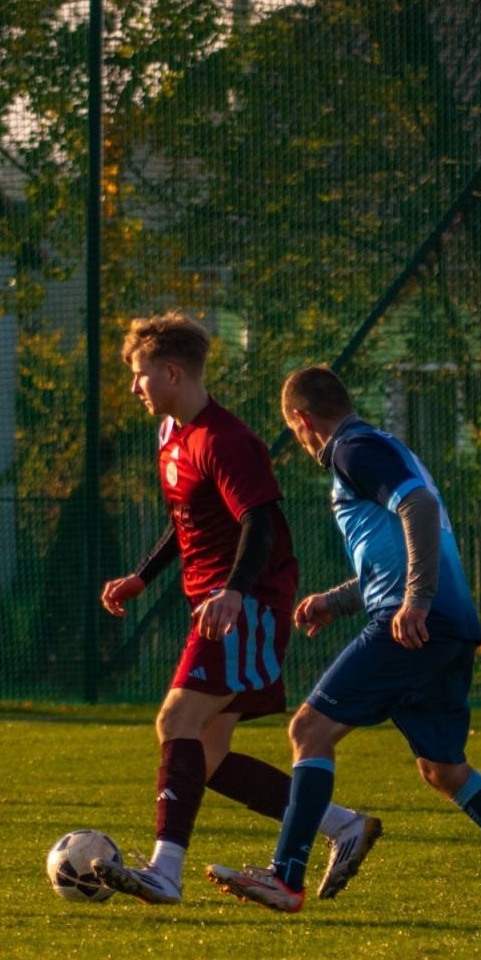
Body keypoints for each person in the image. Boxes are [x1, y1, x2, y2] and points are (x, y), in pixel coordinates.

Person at [207, 365, 481, 917]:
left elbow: (419, 510)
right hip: (444, 623)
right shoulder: (379, 446)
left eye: (296, 430)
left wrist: (416, 600)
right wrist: (338, 600)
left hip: (416, 622)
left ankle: (285, 877)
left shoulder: (352, 450)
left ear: (302, 420)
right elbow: (393, 551)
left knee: (309, 730)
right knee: (443, 770)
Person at [91, 315, 381, 906]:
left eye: (140, 376)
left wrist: (236, 592)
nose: (134, 388)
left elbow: (259, 526)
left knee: (175, 724)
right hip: (218, 604)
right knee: (210, 753)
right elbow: (187, 521)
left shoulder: (229, 442)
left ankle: (165, 872)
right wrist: (141, 578)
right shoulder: (172, 433)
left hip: (245, 606)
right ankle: (342, 825)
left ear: (172, 372)